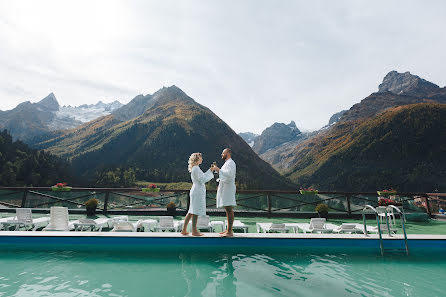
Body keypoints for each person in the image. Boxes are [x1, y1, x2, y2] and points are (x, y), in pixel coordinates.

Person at [181, 152, 214, 236]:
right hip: (197, 191)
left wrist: (210, 171)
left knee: (191, 211)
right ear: (197, 159)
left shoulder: (195, 168)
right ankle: (194, 231)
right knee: (194, 211)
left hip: (196, 190)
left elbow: (202, 177)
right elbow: (202, 179)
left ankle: (184, 230)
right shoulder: (196, 168)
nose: (202, 159)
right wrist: (210, 171)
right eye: (200, 157)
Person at [211, 148, 236, 237]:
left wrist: (218, 170)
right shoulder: (227, 163)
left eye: (223, 153)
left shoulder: (231, 163)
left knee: (229, 208)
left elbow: (230, 175)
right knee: (227, 208)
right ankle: (228, 230)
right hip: (225, 187)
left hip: (228, 188)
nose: (221, 154)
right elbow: (224, 175)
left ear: (228, 153)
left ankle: (230, 231)